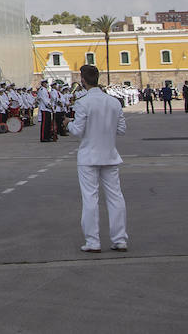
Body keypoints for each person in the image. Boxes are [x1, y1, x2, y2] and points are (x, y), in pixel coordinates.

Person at [68, 64, 128, 253]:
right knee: (115, 197)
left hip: (88, 156)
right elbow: (121, 129)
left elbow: (77, 130)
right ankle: (120, 239)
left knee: (90, 199)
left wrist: (67, 124)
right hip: (110, 155)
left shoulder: (83, 102)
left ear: (83, 80)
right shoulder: (114, 102)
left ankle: (93, 241)